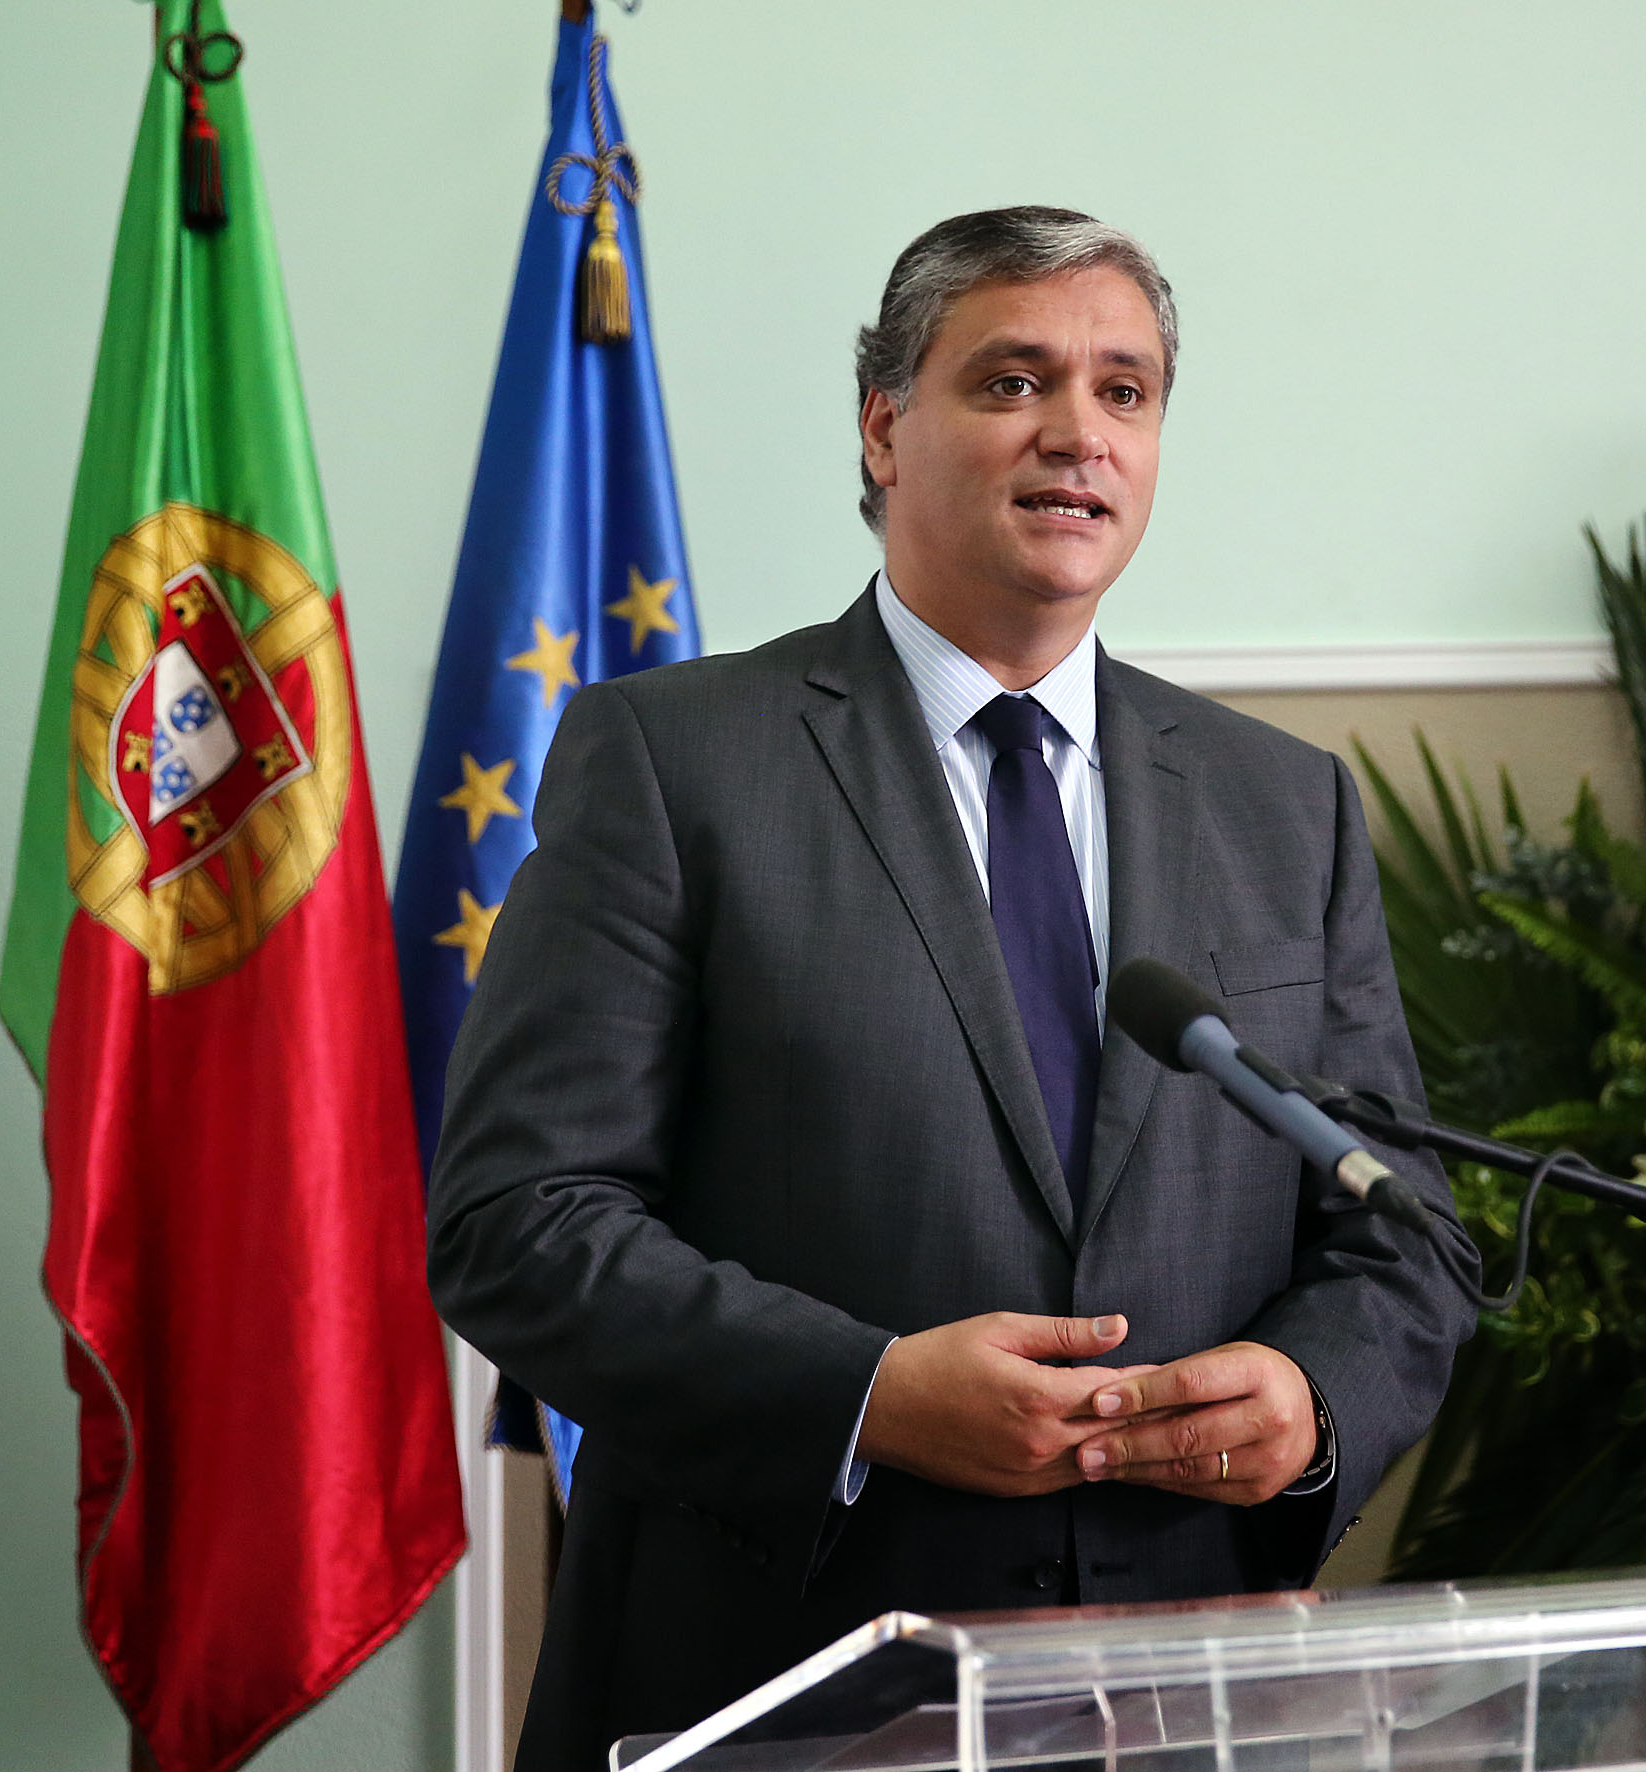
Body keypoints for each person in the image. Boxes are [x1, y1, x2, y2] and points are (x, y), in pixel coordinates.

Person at [429, 206, 1478, 1772]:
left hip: (1181, 1690)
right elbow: (517, 1223)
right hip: (780, 1673)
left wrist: (1311, 1399)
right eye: (1010, 382)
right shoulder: (672, 762)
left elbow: (1404, 1230)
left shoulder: (1283, 804)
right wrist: (864, 1396)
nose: (1077, 432)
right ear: (882, 428)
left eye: (1123, 391)